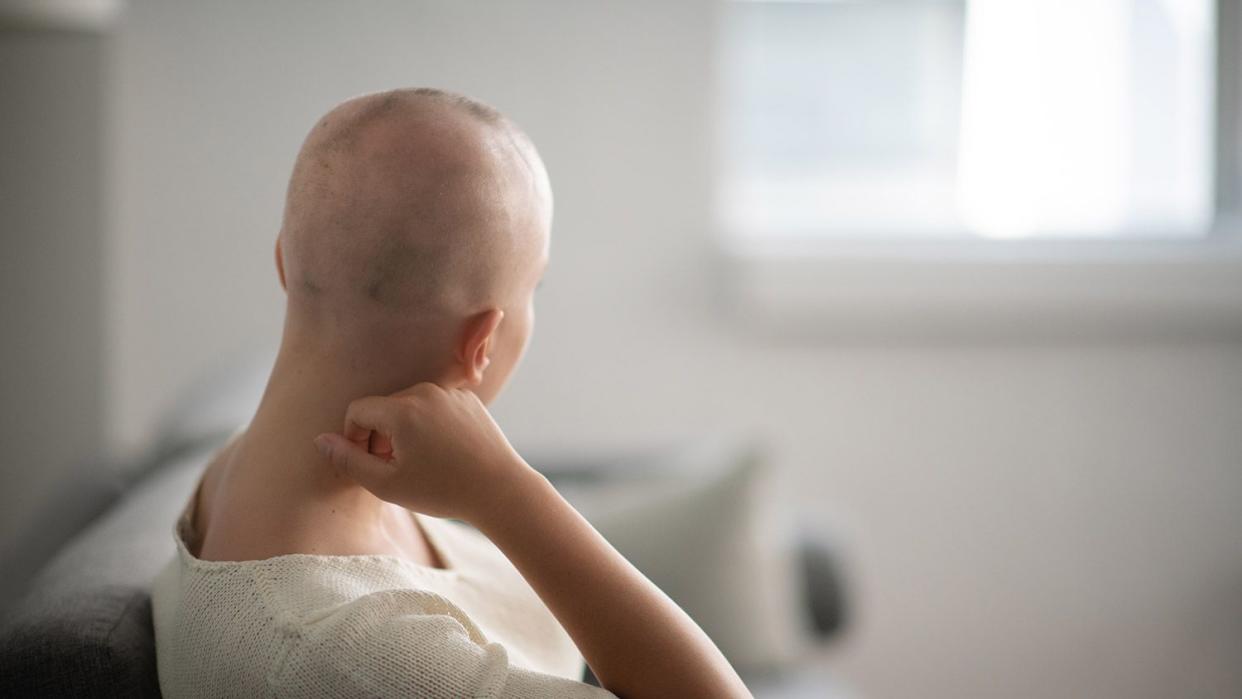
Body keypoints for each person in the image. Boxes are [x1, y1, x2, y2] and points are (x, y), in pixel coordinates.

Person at [150, 87, 751, 699]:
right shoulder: (352, 656)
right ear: (481, 342)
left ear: (284, 262)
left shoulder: (249, 464)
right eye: (534, 286)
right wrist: (507, 493)